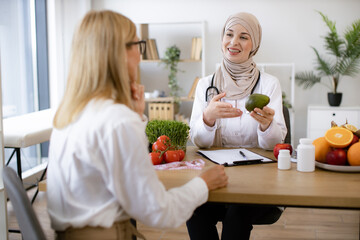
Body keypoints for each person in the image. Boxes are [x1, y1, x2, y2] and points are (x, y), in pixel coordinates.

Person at [46, 10, 228, 240]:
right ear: (118, 53)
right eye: (137, 45)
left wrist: (135, 114)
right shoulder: (117, 121)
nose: (140, 55)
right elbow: (161, 213)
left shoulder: (73, 113)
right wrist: (203, 183)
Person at [187, 12, 287, 239]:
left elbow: (276, 144)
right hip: (217, 175)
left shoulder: (269, 84)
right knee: (193, 210)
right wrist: (208, 119)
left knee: (237, 214)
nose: (233, 42)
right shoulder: (206, 85)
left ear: (254, 45)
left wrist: (266, 126)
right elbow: (199, 142)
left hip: (257, 178)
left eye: (243, 37)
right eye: (229, 34)